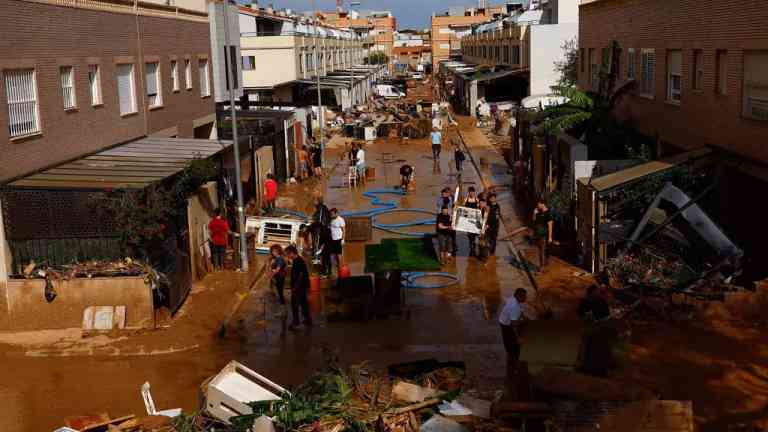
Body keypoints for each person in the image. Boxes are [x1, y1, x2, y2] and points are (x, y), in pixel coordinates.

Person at [498, 288, 529, 364]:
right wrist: (518, 337)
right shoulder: (513, 307)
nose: (525, 298)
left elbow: (520, 310)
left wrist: (524, 317)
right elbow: (513, 325)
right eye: (523, 296)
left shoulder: (515, 300)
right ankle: (512, 356)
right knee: (510, 340)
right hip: (505, 324)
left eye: (525, 296)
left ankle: (513, 352)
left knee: (512, 339)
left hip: (508, 319)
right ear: (518, 296)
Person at [285, 245, 312, 329]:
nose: (287, 257)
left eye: (288, 254)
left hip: (299, 287)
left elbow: (300, 276)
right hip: (302, 286)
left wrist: (294, 287)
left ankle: (296, 322)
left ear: (292, 253)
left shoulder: (298, 261)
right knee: (304, 303)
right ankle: (308, 319)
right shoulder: (298, 260)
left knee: (295, 304)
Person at [531, 198, 554, 269]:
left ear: (542, 204)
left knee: (542, 251)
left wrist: (550, 237)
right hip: (538, 234)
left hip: (544, 235)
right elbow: (534, 220)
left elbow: (550, 226)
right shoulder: (539, 212)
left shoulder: (548, 213)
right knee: (541, 250)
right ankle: (545, 264)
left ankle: (541, 267)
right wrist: (534, 213)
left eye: (538, 204)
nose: (537, 206)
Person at [312, 196, 332, 275]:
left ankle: (323, 271)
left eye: (314, 201)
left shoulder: (321, 210)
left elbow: (319, 221)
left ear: (318, 202)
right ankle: (327, 271)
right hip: (324, 233)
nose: (313, 203)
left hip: (322, 234)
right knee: (325, 255)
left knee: (322, 254)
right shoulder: (324, 209)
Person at [463, 187, 480, 256]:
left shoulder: (477, 200)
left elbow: (479, 209)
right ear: (468, 192)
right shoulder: (466, 199)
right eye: (470, 192)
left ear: (474, 192)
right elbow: (463, 209)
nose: (471, 193)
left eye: (473, 192)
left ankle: (474, 245)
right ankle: (471, 247)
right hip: (468, 220)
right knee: (470, 235)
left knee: (476, 234)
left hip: (475, 220)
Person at [329, 208, 346, 276]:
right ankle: (335, 269)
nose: (331, 215)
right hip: (332, 240)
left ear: (336, 213)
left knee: (339, 255)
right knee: (332, 255)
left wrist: (343, 239)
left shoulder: (340, 219)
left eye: (332, 214)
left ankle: (341, 269)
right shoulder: (331, 220)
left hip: (338, 239)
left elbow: (344, 230)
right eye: (331, 214)